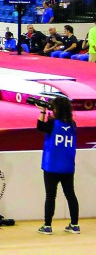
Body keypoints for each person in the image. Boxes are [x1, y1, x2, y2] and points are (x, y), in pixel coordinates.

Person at [37, 96, 80, 234]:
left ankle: (48, 226)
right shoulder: (73, 124)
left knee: (50, 195)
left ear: (55, 109)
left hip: (52, 166)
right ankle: (74, 225)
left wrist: (43, 111)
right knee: (70, 194)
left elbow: (39, 126)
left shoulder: (52, 123)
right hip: (67, 166)